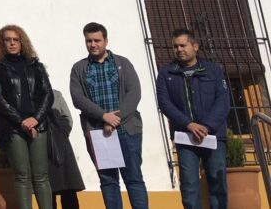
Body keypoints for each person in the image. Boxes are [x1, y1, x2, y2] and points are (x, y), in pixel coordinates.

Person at [69, 22, 148, 209]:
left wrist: (115, 119)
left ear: (106, 41)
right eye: (89, 41)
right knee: (108, 181)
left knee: (134, 178)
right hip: (98, 132)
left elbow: (134, 93)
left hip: (127, 130)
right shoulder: (79, 68)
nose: (93, 44)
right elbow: (78, 98)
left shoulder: (123, 63)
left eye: (97, 40)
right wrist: (104, 117)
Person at [155, 28, 230, 209]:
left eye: (183, 45)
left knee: (217, 183)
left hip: (213, 136)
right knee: (189, 187)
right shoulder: (166, 73)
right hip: (185, 137)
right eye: (175, 46)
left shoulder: (213, 71)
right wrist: (188, 124)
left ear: (195, 46)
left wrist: (206, 126)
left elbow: (223, 101)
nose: (179, 49)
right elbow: (165, 104)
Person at [0, 24, 53, 209]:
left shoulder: (36, 66)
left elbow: (48, 94)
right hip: (13, 127)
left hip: (38, 125)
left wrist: (36, 119)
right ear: (2, 44)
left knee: (41, 176)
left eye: (15, 40)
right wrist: (21, 122)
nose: (12, 43)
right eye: (7, 40)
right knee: (22, 176)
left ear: (22, 42)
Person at [47, 90, 84, 209]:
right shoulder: (27, 96)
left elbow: (67, 118)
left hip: (60, 146)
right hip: (41, 147)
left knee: (68, 187)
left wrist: (59, 133)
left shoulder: (55, 94)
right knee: (47, 191)